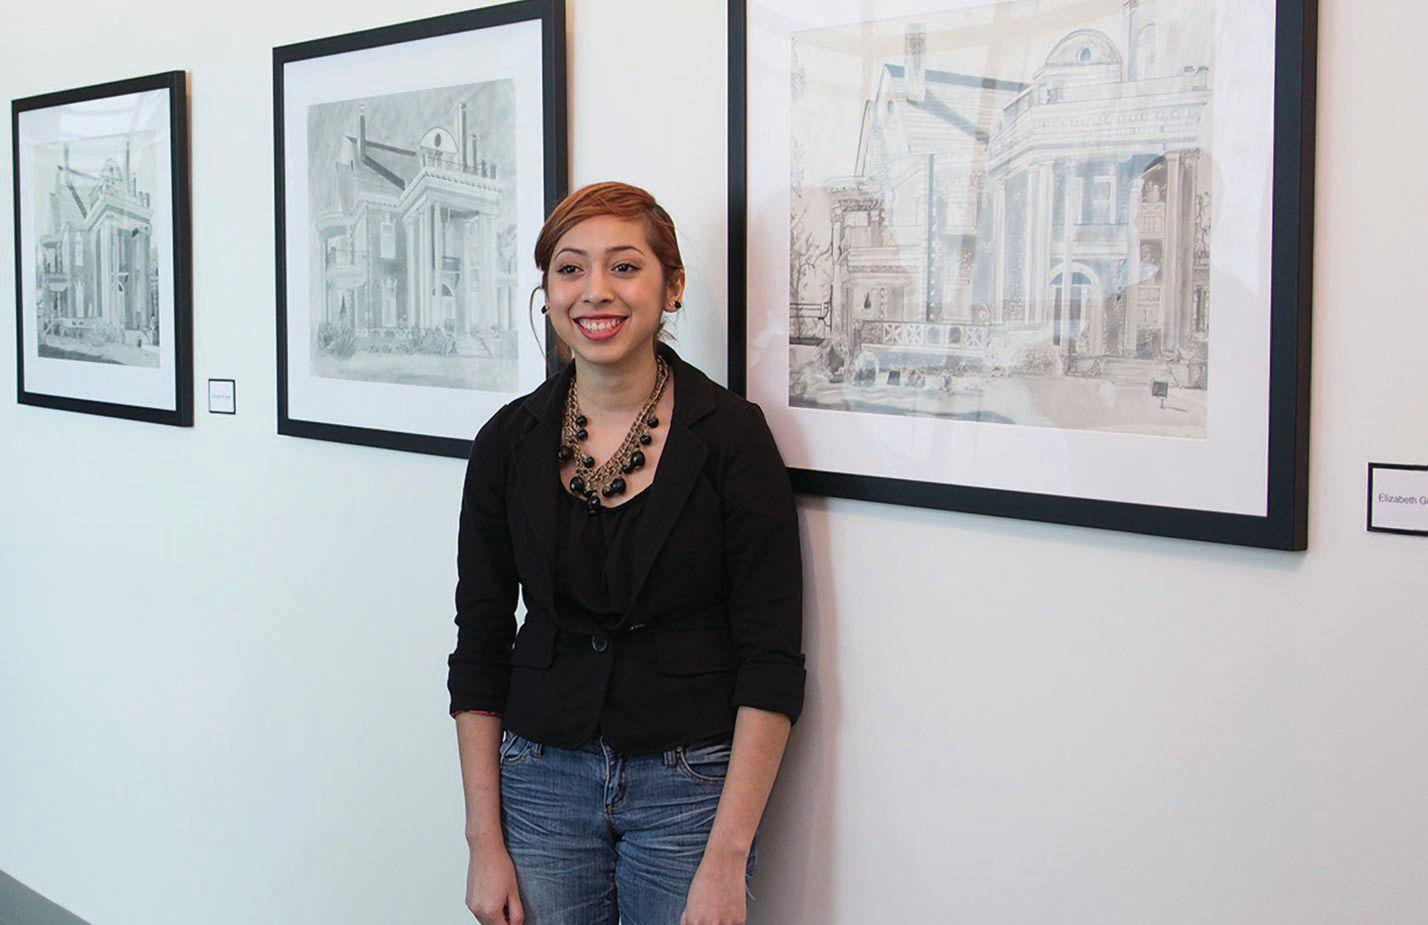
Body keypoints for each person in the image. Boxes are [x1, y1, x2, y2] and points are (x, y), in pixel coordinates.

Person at [448, 182, 806, 925]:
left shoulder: (733, 439)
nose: (595, 291)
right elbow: (479, 643)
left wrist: (728, 854)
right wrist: (483, 842)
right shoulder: (506, 442)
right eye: (570, 268)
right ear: (547, 292)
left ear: (672, 287)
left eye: (624, 265)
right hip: (540, 779)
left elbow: (771, 657)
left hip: (690, 785)